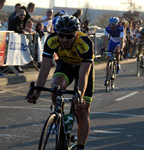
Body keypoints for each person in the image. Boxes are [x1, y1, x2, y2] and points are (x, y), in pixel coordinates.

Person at [27, 15, 95, 150]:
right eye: (62, 35)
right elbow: (45, 68)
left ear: (75, 35)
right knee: (56, 86)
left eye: (69, 36)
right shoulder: (52, 40)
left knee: (82, 111)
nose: (64, 39)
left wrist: (79, 96)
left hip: (82, 68)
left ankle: (80, 147)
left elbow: (83, 75)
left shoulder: (85, 43)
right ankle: (60, 117)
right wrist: (37, 92)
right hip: (65, 65)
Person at [102, 17, 124, 85]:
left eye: (113, 24)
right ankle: (107, 78)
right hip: (112, 42)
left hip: (119, 42)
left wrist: (121, 49)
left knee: (117, 50)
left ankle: (117, 64)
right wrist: (103, 47)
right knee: (108, 61)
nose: (111, 25)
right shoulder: (107, 28)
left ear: (117, 24)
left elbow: (122, 39)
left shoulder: (120, 28)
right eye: (110, 24)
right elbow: (105, 39)